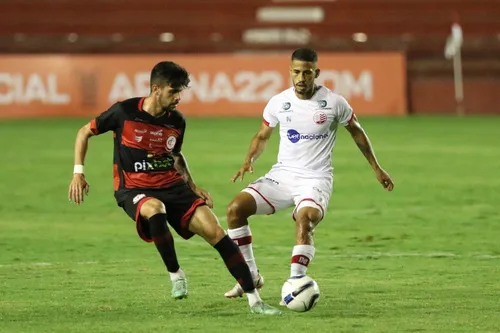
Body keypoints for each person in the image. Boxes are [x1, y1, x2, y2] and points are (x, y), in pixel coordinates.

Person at [68, 61, 281, 315]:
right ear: (156, 89)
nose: (178, 97)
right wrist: (78, 173)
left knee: (215, 231)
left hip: (173, 186)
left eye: (181, 92)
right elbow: (84, 132)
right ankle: (175, 273)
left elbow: (176, 155)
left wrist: (193, 186)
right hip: (134, 189)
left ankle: (255, 300)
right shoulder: (124, 112)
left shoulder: (176, 121)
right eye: (173, 91)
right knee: (155, 208)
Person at [224, 48, 395, 300]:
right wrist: (248, 159)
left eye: (307, 72)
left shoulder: (335, 102)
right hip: (282, 175)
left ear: (316, 72)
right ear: (290, 72)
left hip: (316, 178)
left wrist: (376, 167)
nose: (301, 77)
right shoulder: (278, 102)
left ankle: (296, 283)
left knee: (306, 219)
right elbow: (262, 135)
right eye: (296, 72)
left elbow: (357, 132)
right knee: (234, 210)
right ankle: (250, 276)